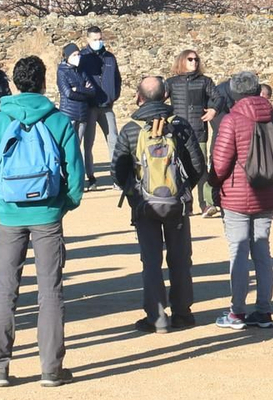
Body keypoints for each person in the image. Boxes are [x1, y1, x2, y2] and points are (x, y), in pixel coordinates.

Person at [0, 56, 86, 387]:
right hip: (48, 215)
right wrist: (61, 205)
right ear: (42, 83)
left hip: (9, 215)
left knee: (4, 290)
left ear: (15, 82)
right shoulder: (58, 121)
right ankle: (51, 368)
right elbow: (75, 175)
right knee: (50, 291)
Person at [112, 75, 208, 332]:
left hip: (145, 204)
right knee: (180, 258)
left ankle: (157, 317)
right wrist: (183, 190)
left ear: (138, 97)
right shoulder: (180, 125)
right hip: (176, 204)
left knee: (151, 261)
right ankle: (183, 313)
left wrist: (135, 194)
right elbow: (198, 165)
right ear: (166, 95)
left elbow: (117, 171)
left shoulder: (131, 129)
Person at [212, 71, 273, 331]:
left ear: (234, 93)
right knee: (262, 253)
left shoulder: (232, 120)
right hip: (266, 194)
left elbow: (221, 163)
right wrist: (267, 177)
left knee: (238, 253)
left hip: (236, 196)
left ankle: (237, 312)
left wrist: (214, 183)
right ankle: (264, 311)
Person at [165, 49, 218, 216]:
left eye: (196, 59)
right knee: (176, 168)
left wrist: (213, 110)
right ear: (182, 61)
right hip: (177, 132)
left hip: (198, 131)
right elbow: (158, 99)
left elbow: (218, 98)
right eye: (190, 59)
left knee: (201, 169)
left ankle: (206, 204)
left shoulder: (205, 81)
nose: (194, 62)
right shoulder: (171, 82)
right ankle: (184, 204)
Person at [56, 42, 107, 189]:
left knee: (77, 149)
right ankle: (65, 179)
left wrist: (78, 89)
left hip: (83, 114)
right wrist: (83, 90)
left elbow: (93, 91)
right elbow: (67, 93)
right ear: (66, 57)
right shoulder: (62, 71)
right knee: (68, 149)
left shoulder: (81, 70)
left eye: (78, 54)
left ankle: (79, 179)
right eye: (74, 55)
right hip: (69, 114)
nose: (77, 57)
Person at [78, 26, 122, 183]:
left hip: (107, 106)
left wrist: (114, 95)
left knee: (114, 140)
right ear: (88, 40)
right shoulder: (82, 57)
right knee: (88, 143)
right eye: (95, 39)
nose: (98, 42)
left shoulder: (110, 57)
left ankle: (117, 177)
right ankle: (90, 177)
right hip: (89, 107)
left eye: (100, 39)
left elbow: (117, 79)